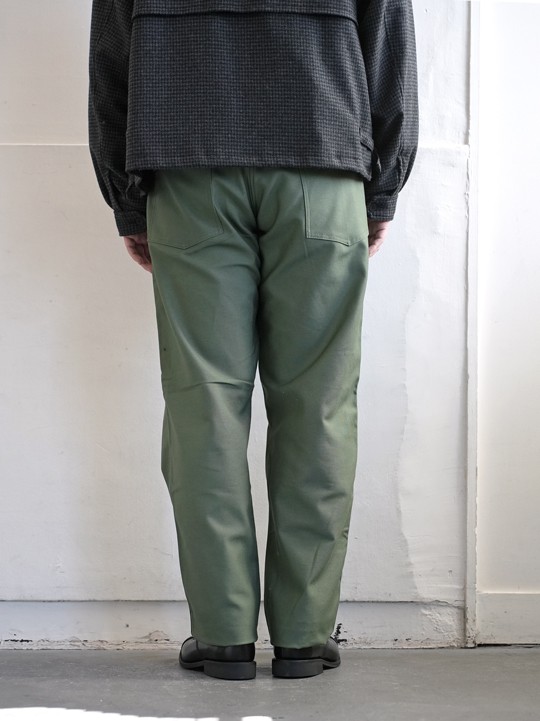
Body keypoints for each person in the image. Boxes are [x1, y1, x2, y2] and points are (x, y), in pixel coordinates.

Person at [88, 0, 419, 680]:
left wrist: (128, 198)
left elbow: (112, 61)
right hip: (323, 159)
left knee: (202, 405)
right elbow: (390, 53)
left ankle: (222, 636)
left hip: (186, 166)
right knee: (320, 404)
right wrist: (381, 188)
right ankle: (304, 636)